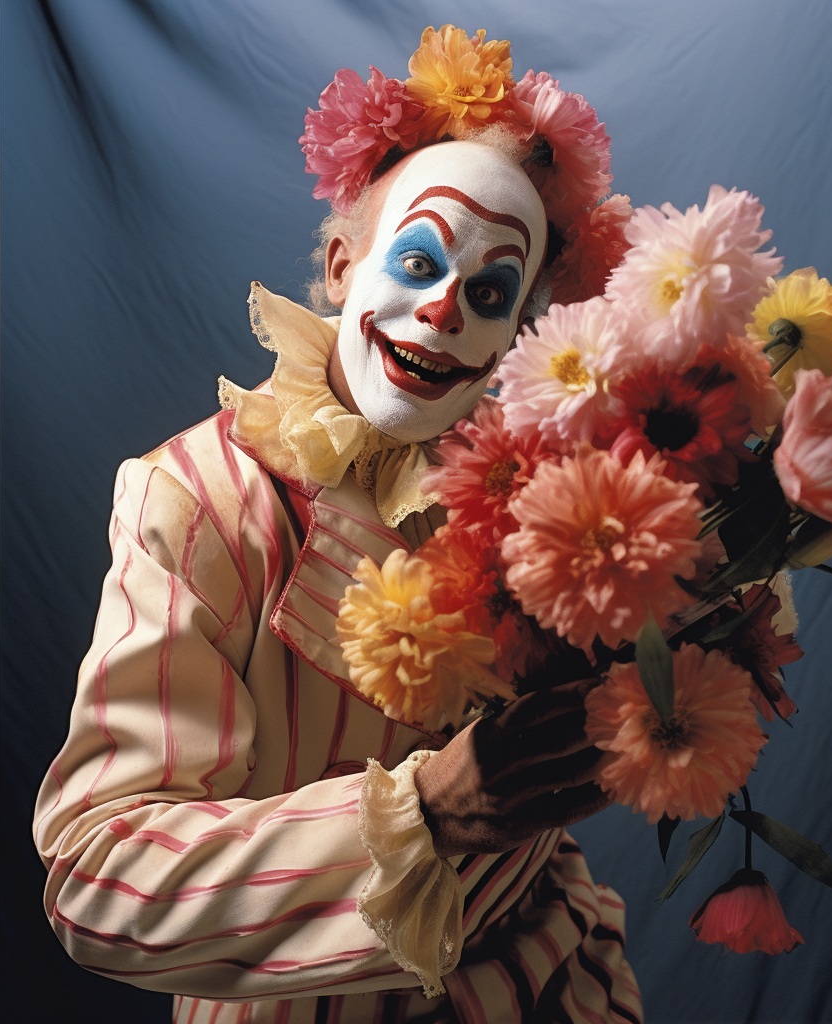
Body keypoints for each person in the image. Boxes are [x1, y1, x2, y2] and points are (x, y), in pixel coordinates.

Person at [33, 31, 643, 1024]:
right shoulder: (196, 500)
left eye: (489, 292)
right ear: (339, 265)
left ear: (514, 335)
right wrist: (425, 815)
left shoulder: (553, 487)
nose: (446, 307)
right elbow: (97, 881)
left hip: (542, 985)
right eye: (419, 258)